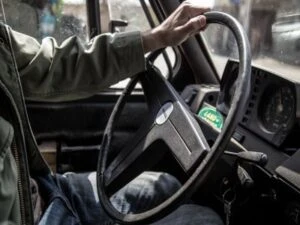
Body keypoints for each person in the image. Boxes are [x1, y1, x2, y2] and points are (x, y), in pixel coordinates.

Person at [0, 1, 224, 225]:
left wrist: (155, 38)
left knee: (167, 185)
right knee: (206, 220)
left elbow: (54, 65)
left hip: (40, 190)